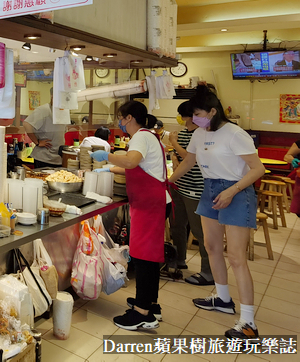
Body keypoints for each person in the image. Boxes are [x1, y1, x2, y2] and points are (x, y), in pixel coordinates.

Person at [168, 86, 265, 339]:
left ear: (213, 111)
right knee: (211, 247)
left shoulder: (235, 134)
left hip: (237, 191)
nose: (195, 119)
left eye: (198, 113)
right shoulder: (200, 133)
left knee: (236, 258)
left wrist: (232, 191)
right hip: (210, 188)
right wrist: (167, 182)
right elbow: (189, 162)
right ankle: (222, 299)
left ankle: (248, 323)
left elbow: (258, 169)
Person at [90, 101, 168, 331]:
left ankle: (142, 313)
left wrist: (108, 156)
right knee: (149, 257)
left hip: (149, 205)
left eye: (121, 118)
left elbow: (131, 161)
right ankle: (151, 305)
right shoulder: (148, 136)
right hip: (152, 202)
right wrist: (109, 169)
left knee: (144, 257)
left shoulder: (141, 137)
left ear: (130, 118)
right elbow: (137, 167)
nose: (120, 122)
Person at [169, 101, 214, 286]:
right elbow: (180, 157)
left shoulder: (201, 134)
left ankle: (208, 272)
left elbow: (190, 159)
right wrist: (173, 153)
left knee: (200, 231)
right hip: (179, 185)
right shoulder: (185, 133)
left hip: (196, 189)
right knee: (177, 225)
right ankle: (179, 259)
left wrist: (173, 143)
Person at [23, 88, 65, 169]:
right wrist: (37, 142)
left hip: (58, 158)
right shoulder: (44, 110)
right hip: (44, 158)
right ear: (53, 96)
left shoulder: (63, 112)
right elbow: (26, 124)